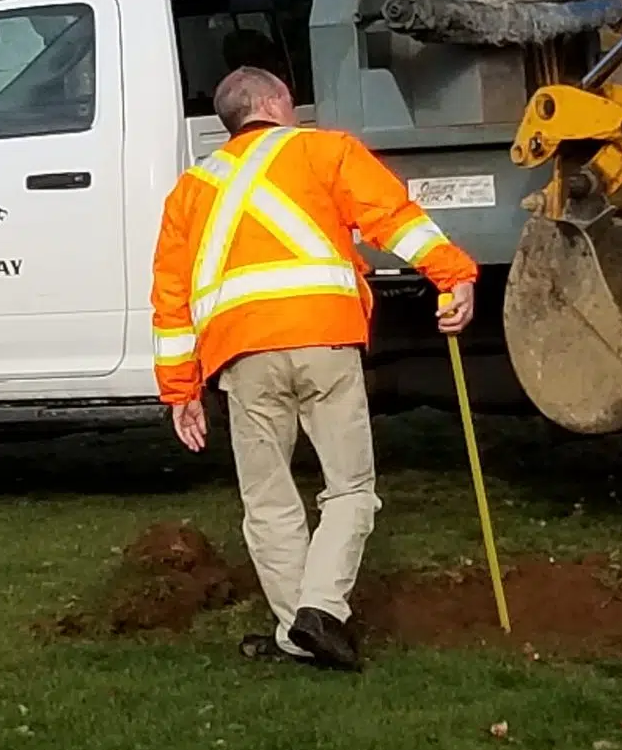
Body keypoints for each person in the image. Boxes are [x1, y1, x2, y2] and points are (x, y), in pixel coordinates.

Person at [150, 65, 478, 670]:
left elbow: (170, 298)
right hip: (325, 340)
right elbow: (394, 219)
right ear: (276, 102)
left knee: (268, 501)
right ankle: (320, 613)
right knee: (350, 488)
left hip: (240, 355)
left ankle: (293, 631)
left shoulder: (191, 190)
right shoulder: (326, 151)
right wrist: (453, 276)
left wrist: (180, 391)